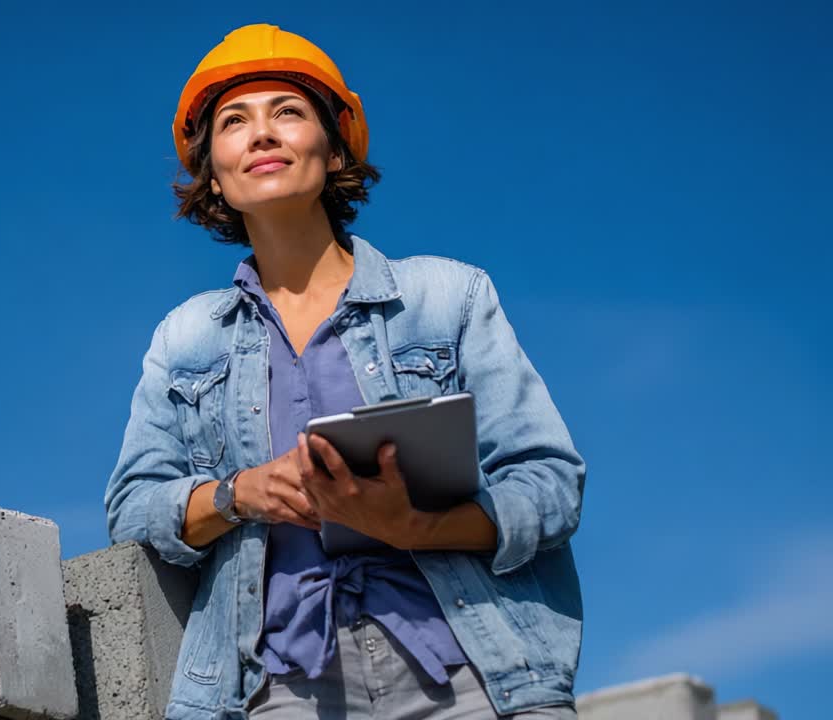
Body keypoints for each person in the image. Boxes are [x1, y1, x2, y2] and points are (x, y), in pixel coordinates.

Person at [105, 23, 586, 720]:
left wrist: (422, 527)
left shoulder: (449, 297)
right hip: (280, 687)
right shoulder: (185, 338)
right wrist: (242, 493)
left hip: (473, 674)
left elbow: (549, 483)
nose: (262, 134)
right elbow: (133, 508)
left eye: (288, 112)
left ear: (334, 151)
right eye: (235, 122)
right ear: (213, 170)